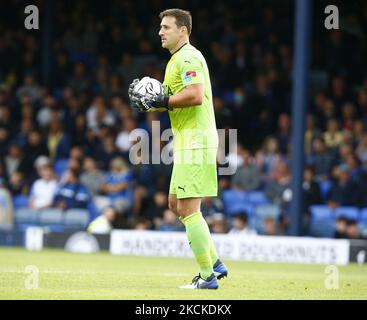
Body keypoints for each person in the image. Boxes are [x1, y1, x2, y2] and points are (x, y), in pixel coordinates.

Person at [128, 9, 227, 289]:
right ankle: (215, 261)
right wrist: (152, 101)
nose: (160, 32)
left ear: (183, 30)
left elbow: (194, 95)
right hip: (186, 141)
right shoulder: (175, 61)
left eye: (166, 27)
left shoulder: (188, 57)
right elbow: (171, 98)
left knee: (188, 207)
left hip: (196, 140)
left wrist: (163, 100)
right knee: (175, 204)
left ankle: (208, 276)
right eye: (160, 27)